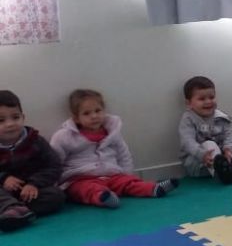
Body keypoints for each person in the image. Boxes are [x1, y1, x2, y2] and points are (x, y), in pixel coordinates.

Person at [50, 89, 178, 208]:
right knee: (85, 190)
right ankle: (103, 198)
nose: (94, 116)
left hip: (112, 175)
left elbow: (123, 154)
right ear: (76, 118)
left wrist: (127, 174)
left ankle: (153, 189)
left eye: (98, 111)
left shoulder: (112, 132)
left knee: (128, 183)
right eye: (86, 113)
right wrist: (54, 184)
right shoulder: (64, 136)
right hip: (80, 179)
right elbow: (54, 161)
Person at [0, 90, 65, 231]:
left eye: (15, 117)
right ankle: (12, 209)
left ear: (23, 117)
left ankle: (15, 212)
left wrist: (34, 183)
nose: (10, 124)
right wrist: (4, 178)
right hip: (4, 193)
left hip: (29, 192)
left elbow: (54, 166)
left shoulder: (36, 141)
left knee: (56, 196)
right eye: (1, 120)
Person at [179, 76, 232, 184]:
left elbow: (229, 136)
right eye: (202, 99)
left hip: (223, 160)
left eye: (211, 97)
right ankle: (227, 173)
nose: (208, 101)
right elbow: (187, 142)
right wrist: (202, 154)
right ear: (189, 103)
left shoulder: (221, 117)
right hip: (199, 163)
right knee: (209, 144)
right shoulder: (188, 119)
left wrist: (228, 149)